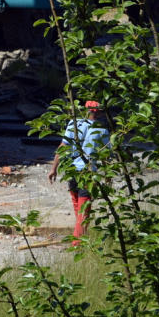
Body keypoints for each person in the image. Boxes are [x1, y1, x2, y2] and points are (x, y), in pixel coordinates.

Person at [48, 100, 109, 245]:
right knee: (84, 210)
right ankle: (78, 244)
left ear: (85, 109)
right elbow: (105, 155)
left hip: (71, 170)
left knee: (77, 205)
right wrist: (107, 175)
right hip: (87, 173)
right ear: (99, 112)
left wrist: (53, 168)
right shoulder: (103, 131)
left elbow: (63, 146)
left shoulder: (74, 124)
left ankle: (80, 238)